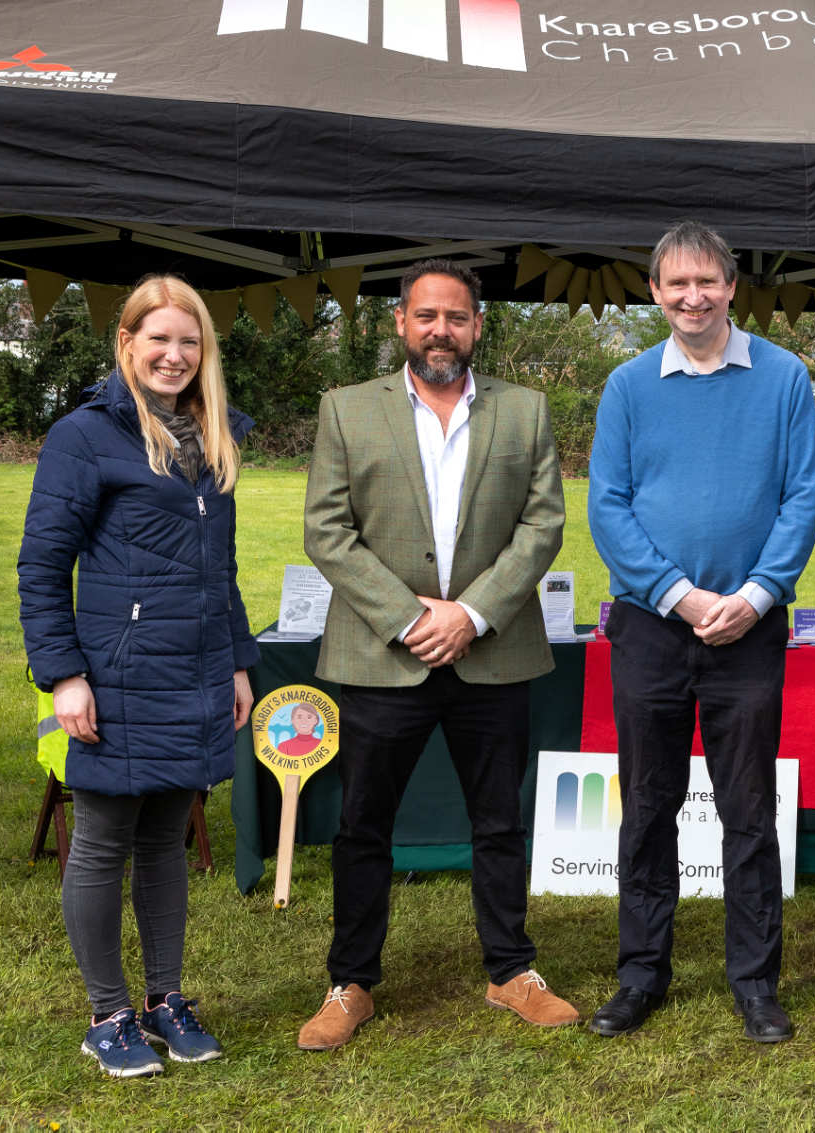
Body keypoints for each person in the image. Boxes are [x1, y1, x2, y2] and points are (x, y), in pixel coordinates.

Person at [297, 258, 573, 1051]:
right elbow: (327, 530)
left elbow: (541, 525)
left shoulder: (525, 411)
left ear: (479, 326)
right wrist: (409, 618)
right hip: (386, 657)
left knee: (497, 821)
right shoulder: (347, 410)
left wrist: (474, 614)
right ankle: (351, 982)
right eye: (426, 316)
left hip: (491, 654)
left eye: (456, 317)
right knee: (362, 826)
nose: (440, 330)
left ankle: (511, 970)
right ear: (401, 325)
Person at [586, 220, 815, 1042]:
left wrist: (756, 595)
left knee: (749, 809)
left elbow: (801, 498)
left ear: (732, 288)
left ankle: (755, 980)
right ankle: (642, 974)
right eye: (676, 284)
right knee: (648, 804)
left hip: (750, 628)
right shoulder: (627, 386)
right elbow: (606, 506)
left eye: (707, 282)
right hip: (653, 628)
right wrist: (680, 595)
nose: (693, 297)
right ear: (655, 292)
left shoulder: (785, 377)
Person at [18, 275, 257, 1077]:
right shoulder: (83, 436)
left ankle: (165, 1001)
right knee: (100, 843)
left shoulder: (211, 434)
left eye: (188, 341)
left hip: (193, 671)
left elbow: (217, 571)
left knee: (165, 842)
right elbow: (42, 567)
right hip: (113, 676)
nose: (173, 354)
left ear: (204, 351)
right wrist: (62, 677)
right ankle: (107, 1014)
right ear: (126, 342)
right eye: (157, 338)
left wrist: (237, 661)